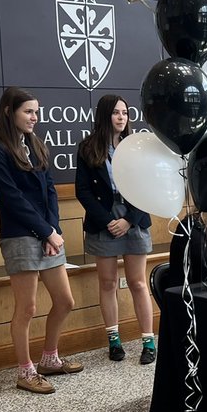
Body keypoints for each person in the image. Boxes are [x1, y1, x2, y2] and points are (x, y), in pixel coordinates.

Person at [0, 87, 81, 394]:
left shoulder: (35, 143)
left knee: (65, 301)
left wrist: (53, 230)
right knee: (27, 308)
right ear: (8, 112)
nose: (34, 117)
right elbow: (11, 197)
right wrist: (45, 231)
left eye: (36, 111)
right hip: (20, 235)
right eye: (28, 111)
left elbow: (49, 189)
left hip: (46, 233)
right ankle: (25, 371)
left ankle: (50, 359)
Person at [74, 95, 157, 365]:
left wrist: (129, 220)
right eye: (116, 113)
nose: (121, 117)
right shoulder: (88, 148)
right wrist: (108, 219)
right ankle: (114, 340)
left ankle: (148, 341)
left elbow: (148, 188)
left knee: (138, 282)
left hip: (134, 219)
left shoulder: (136, 147)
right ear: (104, 116)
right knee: (108, 283)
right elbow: (83, 191)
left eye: (125, 113)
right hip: (104, 221)